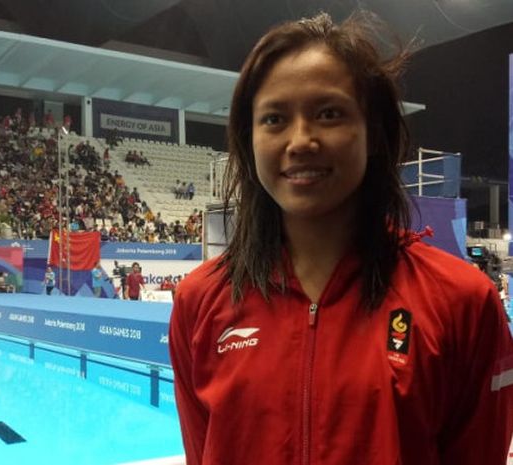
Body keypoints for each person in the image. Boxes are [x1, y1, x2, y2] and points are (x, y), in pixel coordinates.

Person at [168, 12, 513, 465]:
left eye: (328, 113)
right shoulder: (200, 302)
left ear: (372, 133)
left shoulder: (461, 302)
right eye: (274, 119)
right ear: (248, 141)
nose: (300, 140)